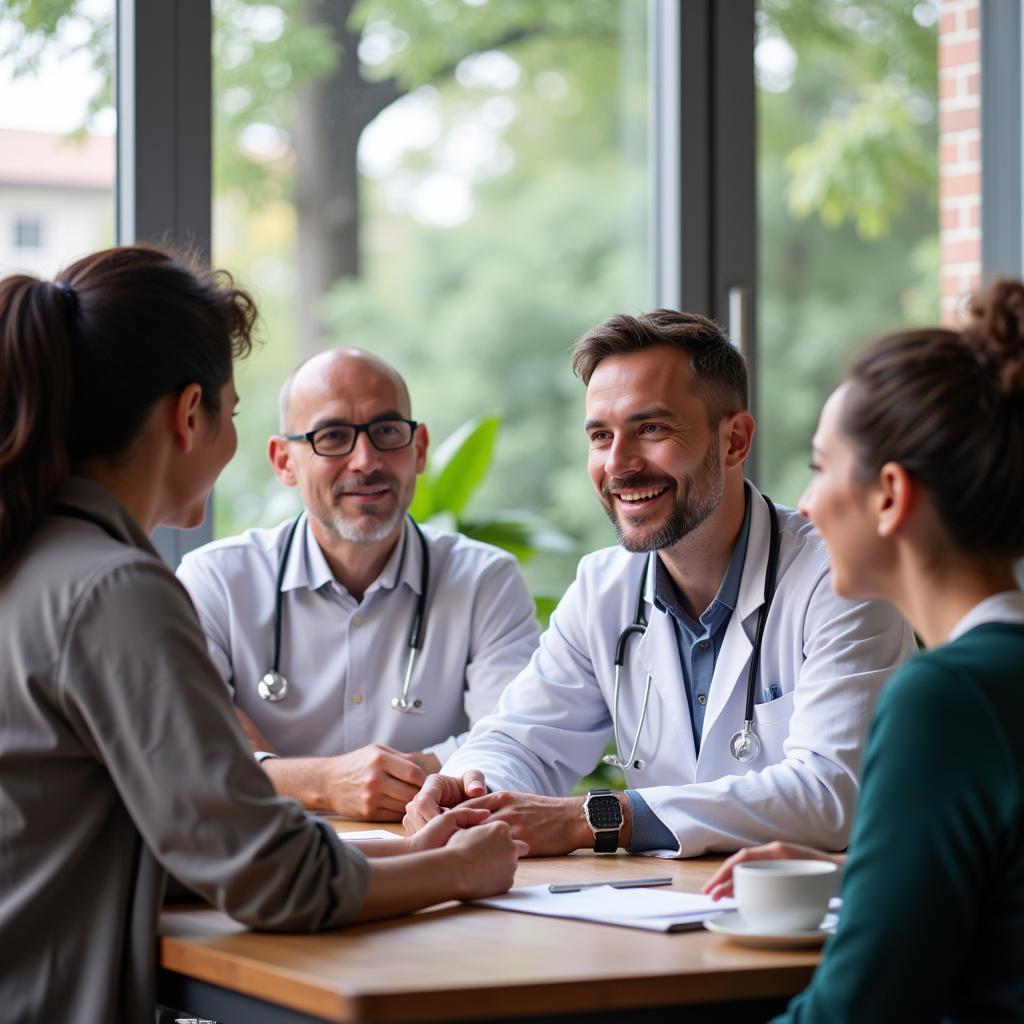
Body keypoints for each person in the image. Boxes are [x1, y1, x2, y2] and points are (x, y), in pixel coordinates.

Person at [0, 246, 522, 1024]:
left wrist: (414, 852)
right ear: (188, 416)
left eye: (386, 433)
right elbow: (268, 876)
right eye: (233, 411)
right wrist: (456, 873)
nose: (365, 461)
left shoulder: (36, 559)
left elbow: (180, 842)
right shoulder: (118, 590)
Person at [404, 309, 917, 858]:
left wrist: (599, 817)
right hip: (667, 912)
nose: (619, 465)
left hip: (815, 922)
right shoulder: (603, 589)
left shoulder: (841, 578)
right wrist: (468, 788)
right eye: (601, 436)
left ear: (734, 441)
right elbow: (521, 737)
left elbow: (830, 792)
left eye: (651, 428)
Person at [701, 281, 1024, 1022]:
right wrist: (858, 878)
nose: (805, 504)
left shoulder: (947, 701)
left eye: (820, 467)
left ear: (888, 495)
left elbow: (862, 1010)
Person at [176, 347, 539, 821]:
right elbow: (190, 759)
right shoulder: (217, 583)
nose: (365, 461)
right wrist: (325, 783)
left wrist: (281, 775)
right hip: (268, 868)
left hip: (436, 862)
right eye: (333, 437)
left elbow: (514, 744)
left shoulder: (485, 581)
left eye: (387, 432)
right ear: (284, 461)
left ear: (420, 448)